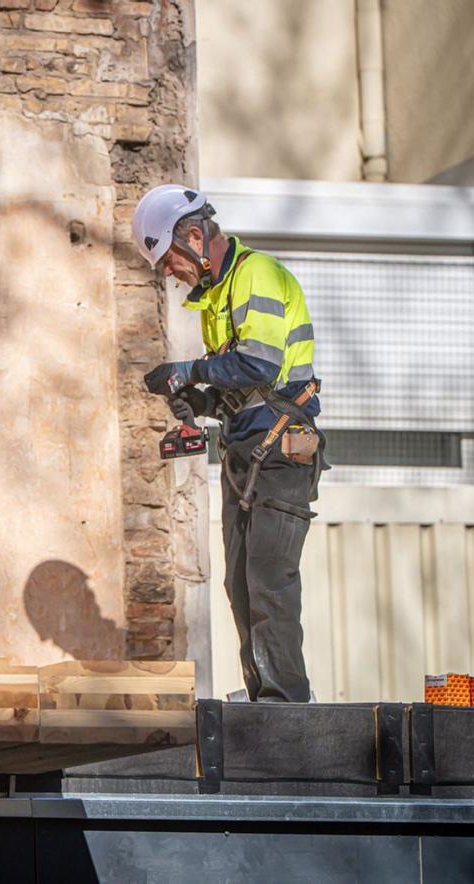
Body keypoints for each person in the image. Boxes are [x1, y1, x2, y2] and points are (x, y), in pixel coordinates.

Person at [132, 185, 323, 703]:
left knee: (268, 580)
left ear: (194, 236)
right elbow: (247, 387)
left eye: (168, 260)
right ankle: (264, 699)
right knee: (240, 586)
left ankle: (286, 709)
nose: (169, 273)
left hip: (282, 451)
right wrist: (202, 402)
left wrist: (187, 371)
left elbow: (259, 364)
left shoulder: (255, 274)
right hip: (250, 450)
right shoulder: (216, 298)